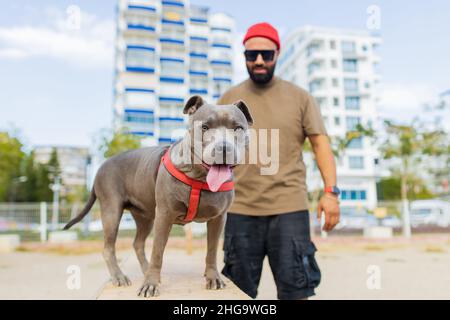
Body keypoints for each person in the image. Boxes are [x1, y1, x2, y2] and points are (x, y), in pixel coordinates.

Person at [217, 22, 340, 300]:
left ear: (277, 53)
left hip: (289, 210)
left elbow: (321, 144)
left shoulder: (300, 98)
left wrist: (331, 193)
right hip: (240, 210)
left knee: (296, 291)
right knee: (238, 295)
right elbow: (213, 151)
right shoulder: (228, 99)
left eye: (266, 54)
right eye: (251, 55)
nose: (259, 60)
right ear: (244, 56)